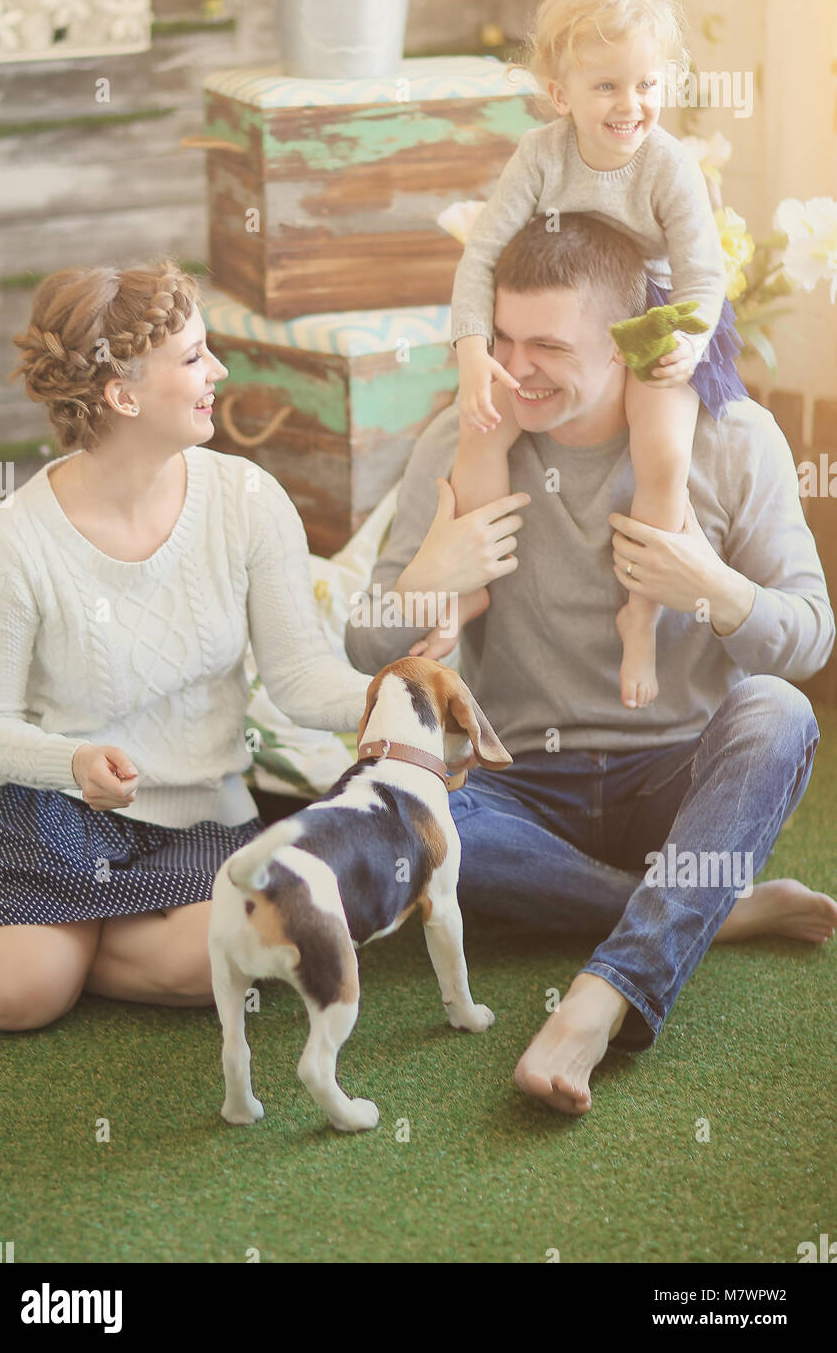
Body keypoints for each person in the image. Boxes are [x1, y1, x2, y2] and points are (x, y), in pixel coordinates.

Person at [344, 211, 837, 1117]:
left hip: (679, 779)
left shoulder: (734, 440)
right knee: (384, 806)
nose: (514, 367)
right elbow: (366, 651)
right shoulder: (463, 440)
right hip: (517, 787)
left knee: (776, 711)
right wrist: (424, 582)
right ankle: (703, 904)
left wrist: (715, 589)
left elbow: (810, 636)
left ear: (626, 345)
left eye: (547, 345)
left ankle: (605, 994)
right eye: (500, 339)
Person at [0, 259, 371, 1032]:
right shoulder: (14, 541)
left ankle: (67, 941)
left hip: (200, 817)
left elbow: (298, 677)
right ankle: (46, 950)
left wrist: (387, 695)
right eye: (192, 358)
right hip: (57, 810)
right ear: (122, 395)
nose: (218, 370)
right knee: (16, 997)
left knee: (234, 959)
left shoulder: (248, 500)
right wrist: (75, 763)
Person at [440, 0, 745, 711]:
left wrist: (691, 343)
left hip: (659, 313)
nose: (631, 104)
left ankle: (639, 614)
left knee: (663, 450)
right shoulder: (541, 155)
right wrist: (475, 352)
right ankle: (471, 590)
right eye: (607, 86)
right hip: (561, 321)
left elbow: (707, 276)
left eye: (647, 84)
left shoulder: (668, 163)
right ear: (559, 93)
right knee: (480, 427)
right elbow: (482, 255)